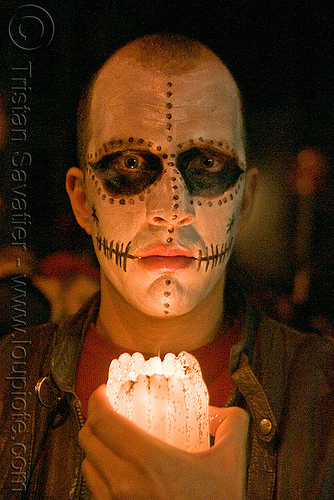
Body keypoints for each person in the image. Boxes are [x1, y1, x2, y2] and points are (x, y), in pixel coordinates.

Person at [0, 33, 333, 500]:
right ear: (81, 200)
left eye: (208, 164)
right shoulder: (7, 388)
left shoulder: (322, 398)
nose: (173, 209)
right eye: (132, 162)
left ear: (247, 201)